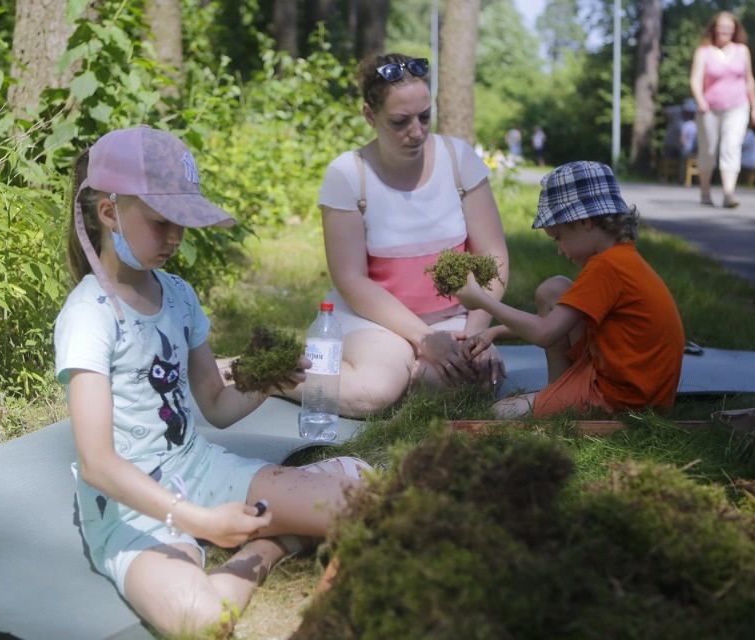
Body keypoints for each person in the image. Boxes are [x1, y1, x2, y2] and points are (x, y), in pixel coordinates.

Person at [55, 125, 367, 638]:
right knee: (200, 622)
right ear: (109, 212)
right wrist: (196, 523)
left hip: (199, 469)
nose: (176, 237)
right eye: (162, 222)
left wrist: (266, 382)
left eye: (184, 223)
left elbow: (216, 404)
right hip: (134, 506)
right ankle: (271, 543)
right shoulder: (88, 315)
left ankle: (273, 533)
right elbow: (98, 463)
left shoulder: (178, 295)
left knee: (363, 499)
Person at [284, 53, 510, 418]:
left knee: (480, 378)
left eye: (424, 116)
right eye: (400, 121)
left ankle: (402, 369)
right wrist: (423, 339)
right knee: (374, 394)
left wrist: (477, 336)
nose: (417, 131)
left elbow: (494, 259)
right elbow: (350, 279)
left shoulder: (459, 159)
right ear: (370, 116)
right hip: (375, 317)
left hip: (452, 318)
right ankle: (266, 374)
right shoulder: (348, 174)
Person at [453, 161, 685, 420]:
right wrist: (493, 331)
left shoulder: (605, 268)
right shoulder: (619, 258)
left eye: (558, 237)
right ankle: (558, 393)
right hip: (635, 385)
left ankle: (558, 405)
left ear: (584, 221)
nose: (560, 250)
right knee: (554, 290)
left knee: (502, 412)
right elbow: (556, 323)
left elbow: (545, 332)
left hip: (625, 400)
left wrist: (481, 300)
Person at [689, 11, 755, 208]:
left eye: (729, 28)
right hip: (709, 109)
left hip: (738, 106)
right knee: (708, 151)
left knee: (732, 145)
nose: (725, 31)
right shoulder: (703, 51)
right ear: (713, 28)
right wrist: (700, 99)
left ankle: (729, 193)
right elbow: (695, 79)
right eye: (721, 27)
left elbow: (749, 81)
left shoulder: (742, 50)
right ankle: (705, 191)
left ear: (735, 31)